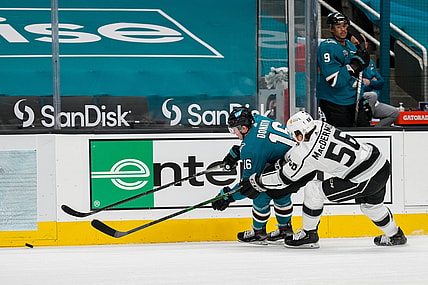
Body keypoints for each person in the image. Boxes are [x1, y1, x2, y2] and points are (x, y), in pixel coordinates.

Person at [238, 111, 407, 248]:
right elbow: (304, 148)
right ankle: (396, 235)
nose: (295, 140)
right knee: (371, 207)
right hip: (379, 162)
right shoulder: (320, 124)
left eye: (295, 135)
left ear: (299, 134)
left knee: (313, 190)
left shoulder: (305, 153)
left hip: (364, 177)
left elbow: (284, 178)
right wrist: (287, 158)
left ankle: (309, 234)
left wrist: (257, 181)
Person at [211, 106, 298, 245]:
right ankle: (285, 229)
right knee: (280, 194)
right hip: (296, 165)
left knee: (260, 192)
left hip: (289, 167)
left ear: (243, 128)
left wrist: (227, 196)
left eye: (234, 129)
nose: (234, 133)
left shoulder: (252, 149)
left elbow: (248, 185)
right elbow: (264, 141)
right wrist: (238, 152)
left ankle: (258, 232)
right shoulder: (258, 119)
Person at [317, 12, 370, 127]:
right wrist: (355, 65)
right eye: (338, 26)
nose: (343, 30)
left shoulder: (350, 46)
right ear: (331, 29)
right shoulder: (327, 47)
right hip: (335, 104)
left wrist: (360, 49)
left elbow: (360, 71)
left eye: (345, 26)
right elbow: (335, 80)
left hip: (354, 101)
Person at [349, 32, 399, 127]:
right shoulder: (351, 61)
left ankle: (375, 130)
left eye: (361, 43)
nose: (359, 46)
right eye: (355, 44)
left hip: (372, 102)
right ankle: (365, 123)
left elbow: (380, 83)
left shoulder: (370, 62)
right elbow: (356, 85)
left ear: (366, 45)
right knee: (372, 95)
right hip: (357, 99)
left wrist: (369, 82)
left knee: (394, 113)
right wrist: (371, 82)